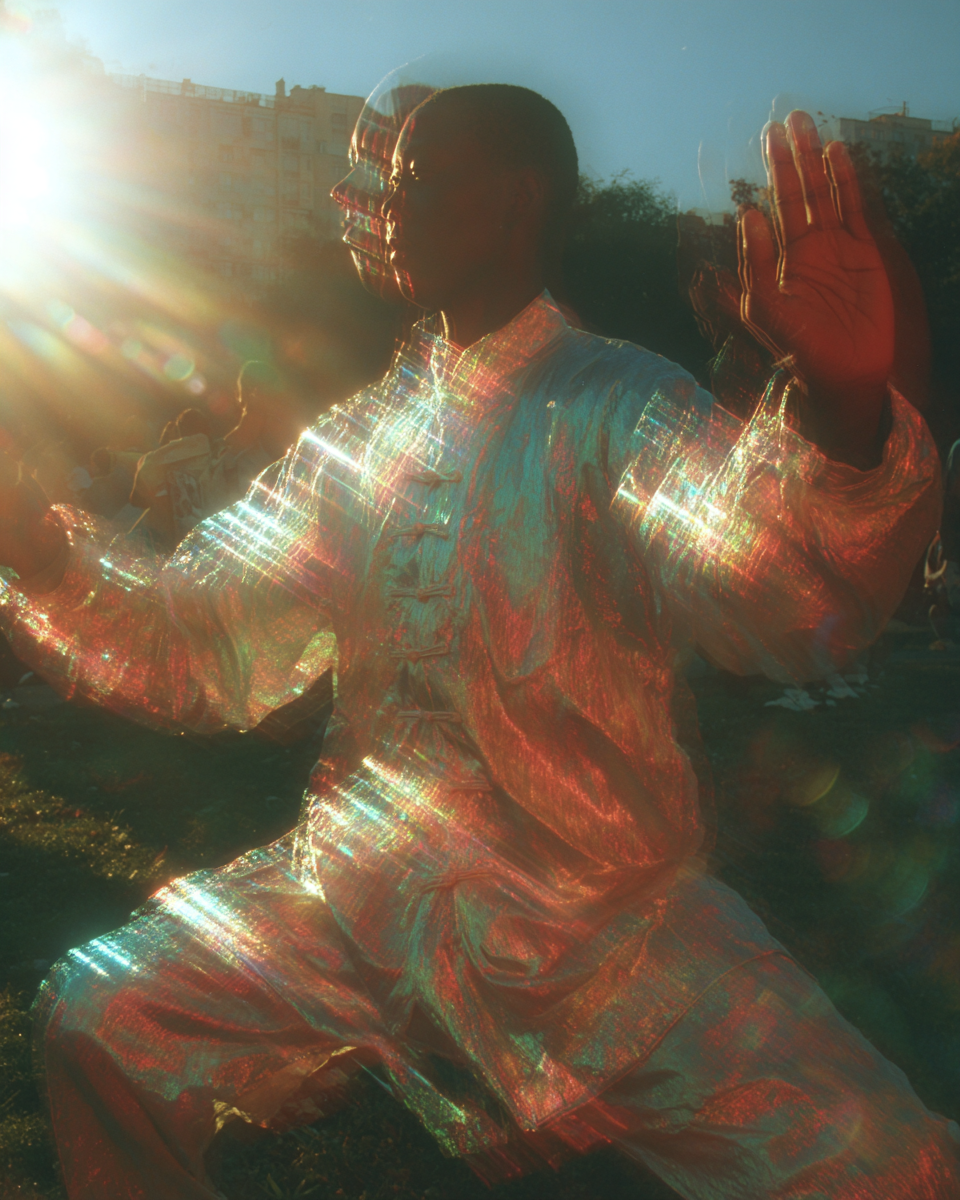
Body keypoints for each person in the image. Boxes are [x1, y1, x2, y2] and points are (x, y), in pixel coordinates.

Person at [0, 84, 956, 1200]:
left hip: (607, 935)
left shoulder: (615, 401)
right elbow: (204, 632)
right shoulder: (357, 443)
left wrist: (844, 417)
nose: (383, 208)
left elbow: (769, 582)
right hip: (356, 908)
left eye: (413, 182)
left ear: (512, 202)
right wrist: (41, 555)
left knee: (889, 1165)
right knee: (107, 1013)